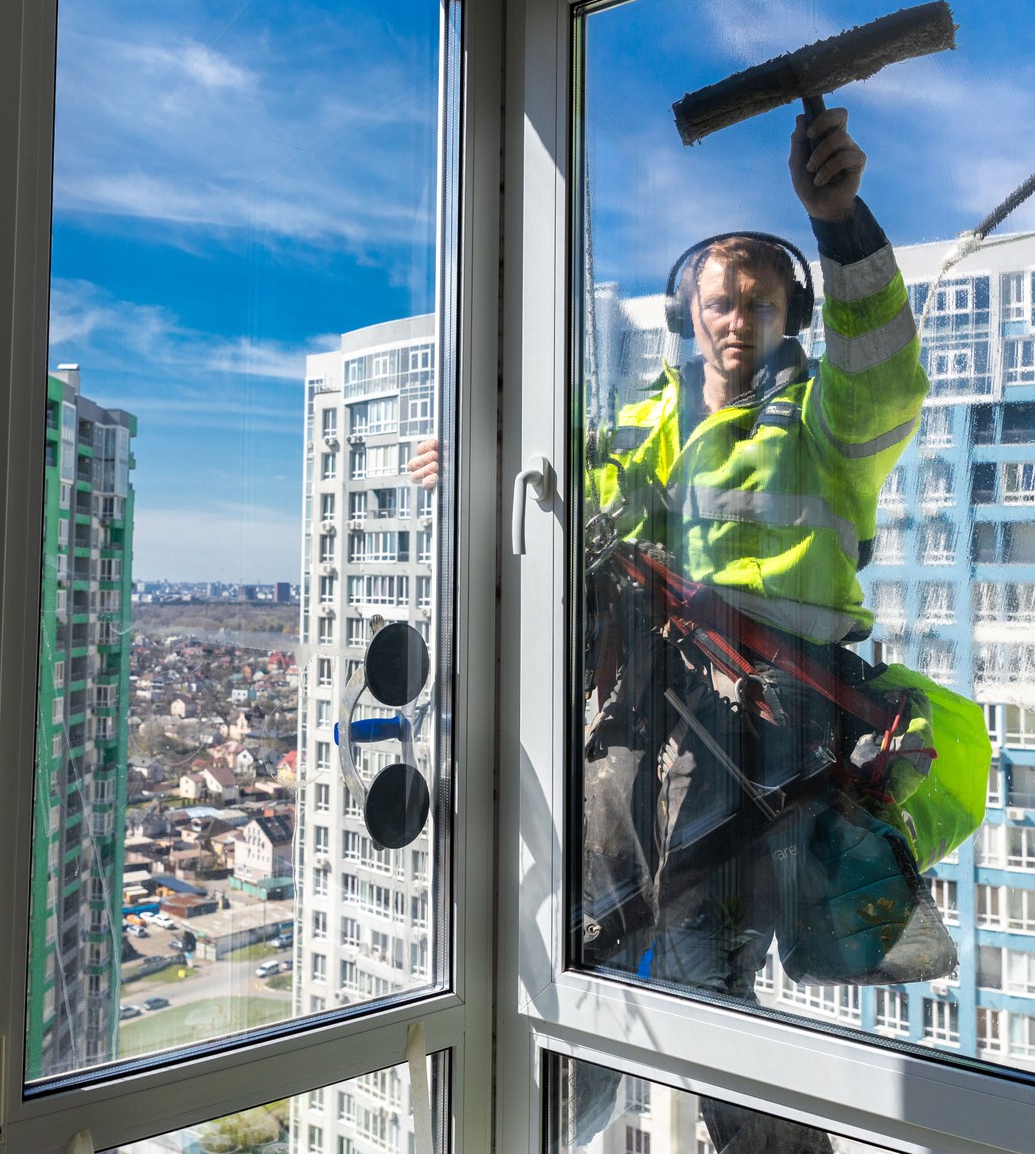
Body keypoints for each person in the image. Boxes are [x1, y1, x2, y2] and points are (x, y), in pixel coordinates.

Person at [413, 109, 986, 1154]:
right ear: (689, 314)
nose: (734, 317)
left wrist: (841, 220)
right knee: (612, 930)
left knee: (697, 970)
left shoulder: (823, 418)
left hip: (771, 733)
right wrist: (484, 457)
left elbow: (886, 378)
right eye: (718, 301)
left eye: (757, 300)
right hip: (676, 720)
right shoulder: (667, 421)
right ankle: (546, 1109)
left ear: (789, 312)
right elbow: (576, 489)